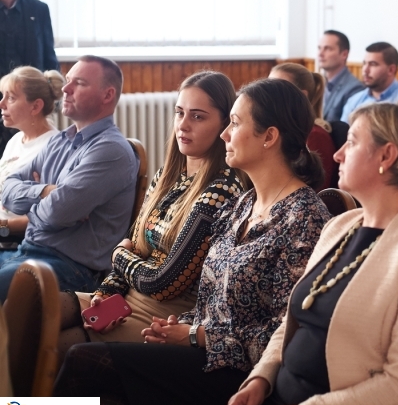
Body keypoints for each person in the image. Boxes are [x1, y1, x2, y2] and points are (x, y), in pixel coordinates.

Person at [54, 78, 331, 405]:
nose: (226, 134)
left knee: (84, 360)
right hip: (197, 346)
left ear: (269, 136)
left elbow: (283, 335)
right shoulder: (246, 203)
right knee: (106, 396)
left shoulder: (302, 218)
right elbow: (208, 300)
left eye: (235, 123)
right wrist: (178, 327)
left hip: (239, 372)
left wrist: (195, 336)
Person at [208, 102, 398, 405]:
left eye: (353, 142)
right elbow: (291, 323)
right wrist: (260, 379)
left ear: (387, 156)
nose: (338, 154)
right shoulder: (340, 226)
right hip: (282, 401)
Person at [56, 71, 244, 354]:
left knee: (57, 345)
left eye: (197, 116)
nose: (182, 125)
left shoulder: (221, 191)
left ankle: (30, 401)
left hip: (165, 315)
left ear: (224, 124)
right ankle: (14, 400)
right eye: (179, 113)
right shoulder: (166, 177)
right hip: (128, 297)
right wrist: (106, 293)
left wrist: (118, 255)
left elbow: (164, 284)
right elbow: (137, 245)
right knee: (35, 310)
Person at [0, 55, 137, 300]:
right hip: (29, 251)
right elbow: (7, 189)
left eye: (79, 83)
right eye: (68, 81)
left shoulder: (110, 150)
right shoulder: (59, 140)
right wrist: (44, 192)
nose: (65, 88)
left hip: (73, 268)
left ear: (107, 95)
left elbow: (56, 213)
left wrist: (37, 208)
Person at [0, 0, 60, 156]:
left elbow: (49, 57)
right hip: (3, 105)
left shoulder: (38, 10)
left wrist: (54, 94)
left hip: (31, 106)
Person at [0, 66, 64, 249]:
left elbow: (50, 214)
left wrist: (3, 228)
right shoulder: (16, 140)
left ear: (36, 106)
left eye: (11, 98)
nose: (1, 104)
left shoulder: (53, 147)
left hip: (16, 241)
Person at [270, 62, 336, 189]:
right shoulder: (280, 130)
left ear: (301, 96)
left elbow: (314, 190)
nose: (269, 95)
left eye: (279, 88)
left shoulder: (315, 135)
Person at [339, 42, 398, 122]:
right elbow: (343, 135)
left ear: (391, 70)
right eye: (364, 64)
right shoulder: (355, 100)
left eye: (373, 64)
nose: (365, 70)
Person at [318, 30, 365, 122]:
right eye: (319, 48)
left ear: (344, 54)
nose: (320, 54)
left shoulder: (354, 88)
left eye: (327, 49)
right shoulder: (317, 82)